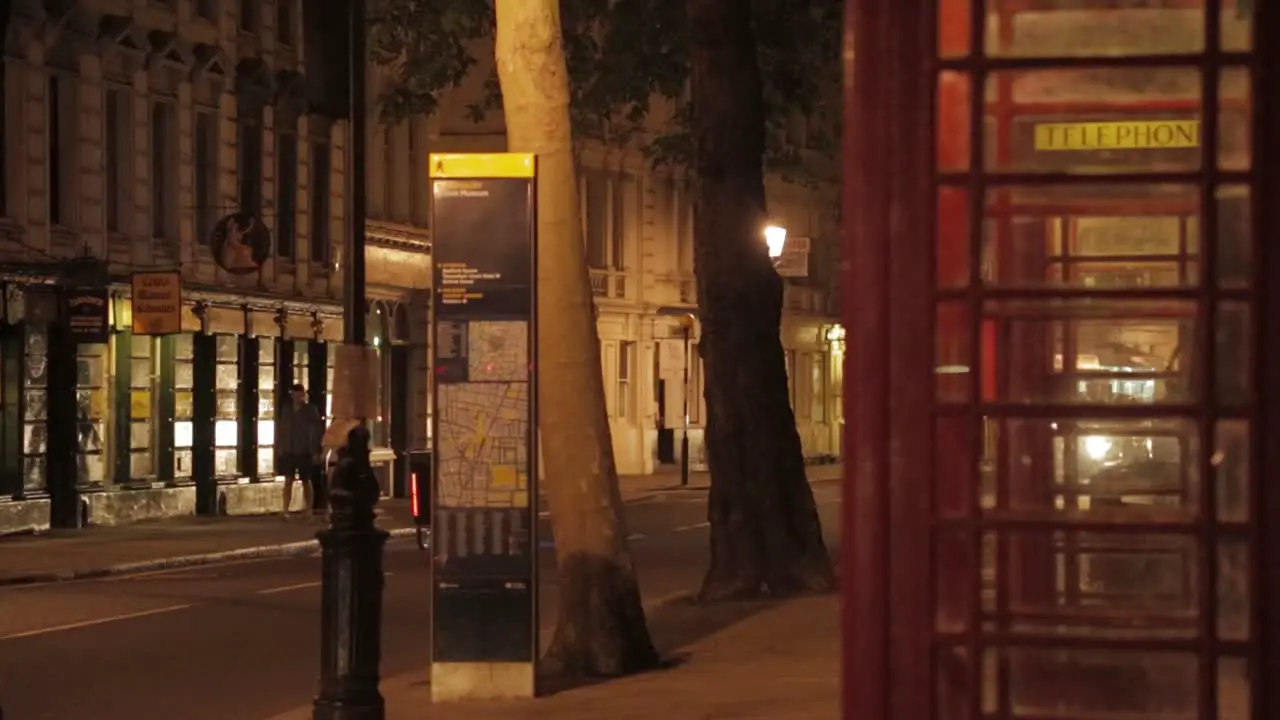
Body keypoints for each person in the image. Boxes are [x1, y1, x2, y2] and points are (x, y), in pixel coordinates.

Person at [279, 383, 324, 520]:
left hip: (304, 449)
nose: (298, 397)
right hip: (289, 449)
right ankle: (285, 509)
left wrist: (316, 450)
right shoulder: (286, 409)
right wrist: (281, 445)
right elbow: (282, 428)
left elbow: (317, 431)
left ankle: (308, 509)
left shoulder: (310, 410)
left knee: (306, 480)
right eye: (296, 394)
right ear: (292, 395)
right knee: (288, 480)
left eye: (301, 395)